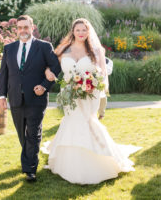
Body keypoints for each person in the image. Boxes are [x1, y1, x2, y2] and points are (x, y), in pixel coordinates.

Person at [42, 18, 141, 185]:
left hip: (90, 93)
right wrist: (47, 73)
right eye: (78, 30)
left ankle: (100, 161)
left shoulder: (96, 50)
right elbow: (50, 66)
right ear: (73, 31)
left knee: (88, 122)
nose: (81, 33)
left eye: (84, 30)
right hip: (69, 94)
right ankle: (69, 165)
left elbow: (103, 73)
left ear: (89, 32)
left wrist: (91, 85)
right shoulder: (63, 49)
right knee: (72, 122)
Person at [0, 15, 61, 182]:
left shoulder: (44, 46)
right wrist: (2, 95)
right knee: (22, 133)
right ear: (16, 29)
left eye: (26, 27)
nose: (23, 30)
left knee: (33, 132)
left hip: (37, 98)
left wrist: (44, 85)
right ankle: (29, 159)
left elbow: (56, 66)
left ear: (32, 27)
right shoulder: (9, 48)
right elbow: (4, 74)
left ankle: (30, 169)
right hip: (15, 98)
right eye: (20, 27)